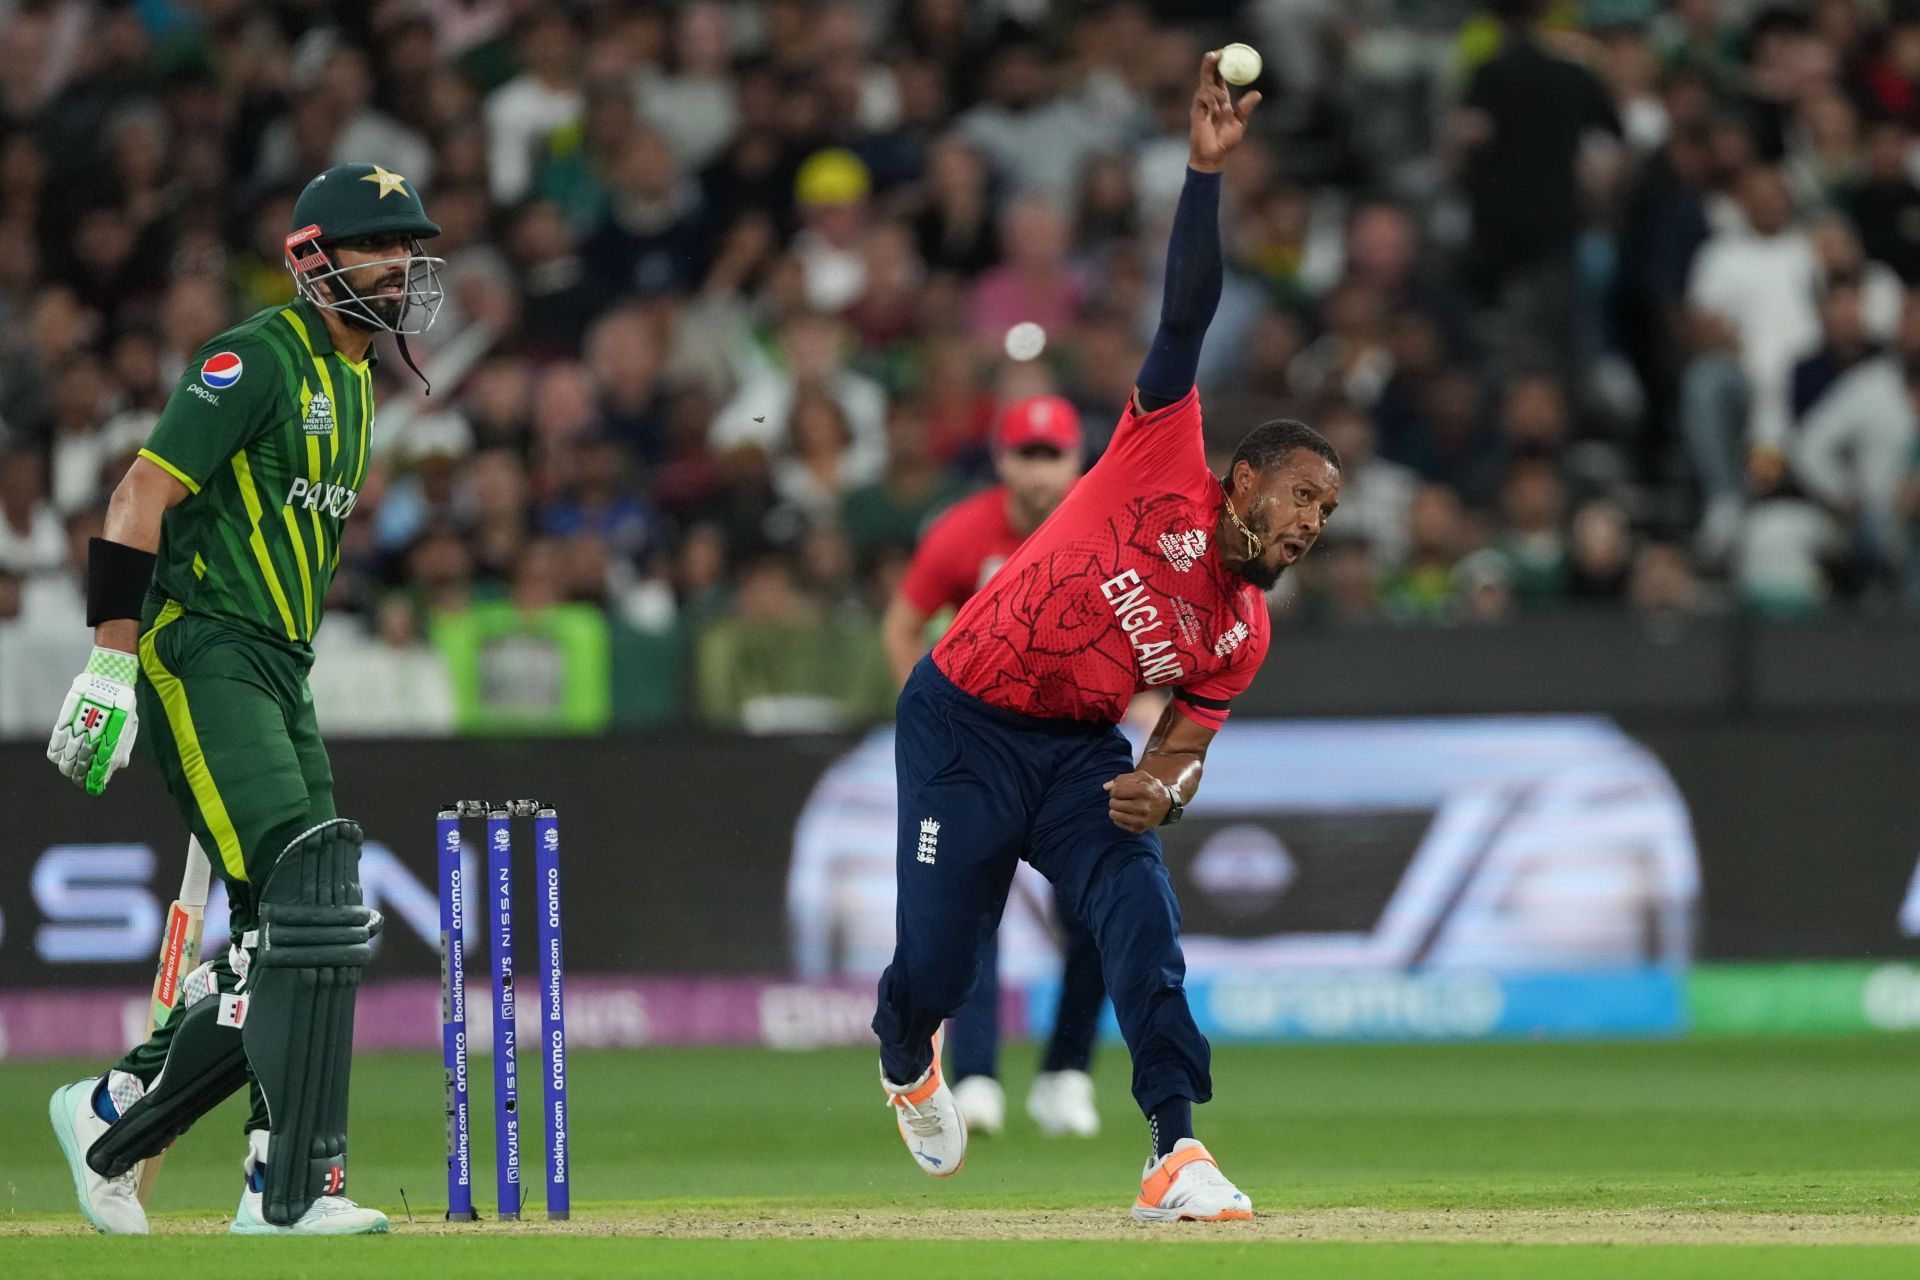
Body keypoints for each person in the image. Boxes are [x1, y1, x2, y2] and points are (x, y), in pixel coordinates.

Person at [872, 54, 1339, 1222]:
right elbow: (1186, 309)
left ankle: (1176, 1147)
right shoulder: (1159, 453)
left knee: (1142, 918)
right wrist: (1202, 174)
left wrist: (1163, 793)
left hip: (1082, 755)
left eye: (1328, 512)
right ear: (1241, 482)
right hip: (961, 725)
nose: (1312, 522)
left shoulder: (1241, 630)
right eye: (1299, 496)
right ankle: (903, 1054)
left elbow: (1185, 744)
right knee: (936, 968)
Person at [42, 162, 444, 1237]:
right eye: (378, 244)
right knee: (305, 911)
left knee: (311, 924)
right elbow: (139, 495)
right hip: (204, 646)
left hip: (282, 666)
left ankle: (167, 1123)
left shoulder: (360, 383)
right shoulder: (255, 356)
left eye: (408, 246)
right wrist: (110, 664)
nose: (401, 263)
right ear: (317, 261)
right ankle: (227, 1164)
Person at [879, 392, 1109, 1140]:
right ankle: (977, 1077)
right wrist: (927, 720)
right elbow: (903, 623)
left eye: (1054, 455)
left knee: (1099, 912)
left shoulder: (1109, 531)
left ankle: (1066, 1075)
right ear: (1003, 461)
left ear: (1078, 461)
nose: (1040, 472)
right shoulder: (963, 534)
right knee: (969, 912)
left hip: (1075, 751)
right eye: (1027, 455)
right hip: (978, 754)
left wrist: (1147, 699)